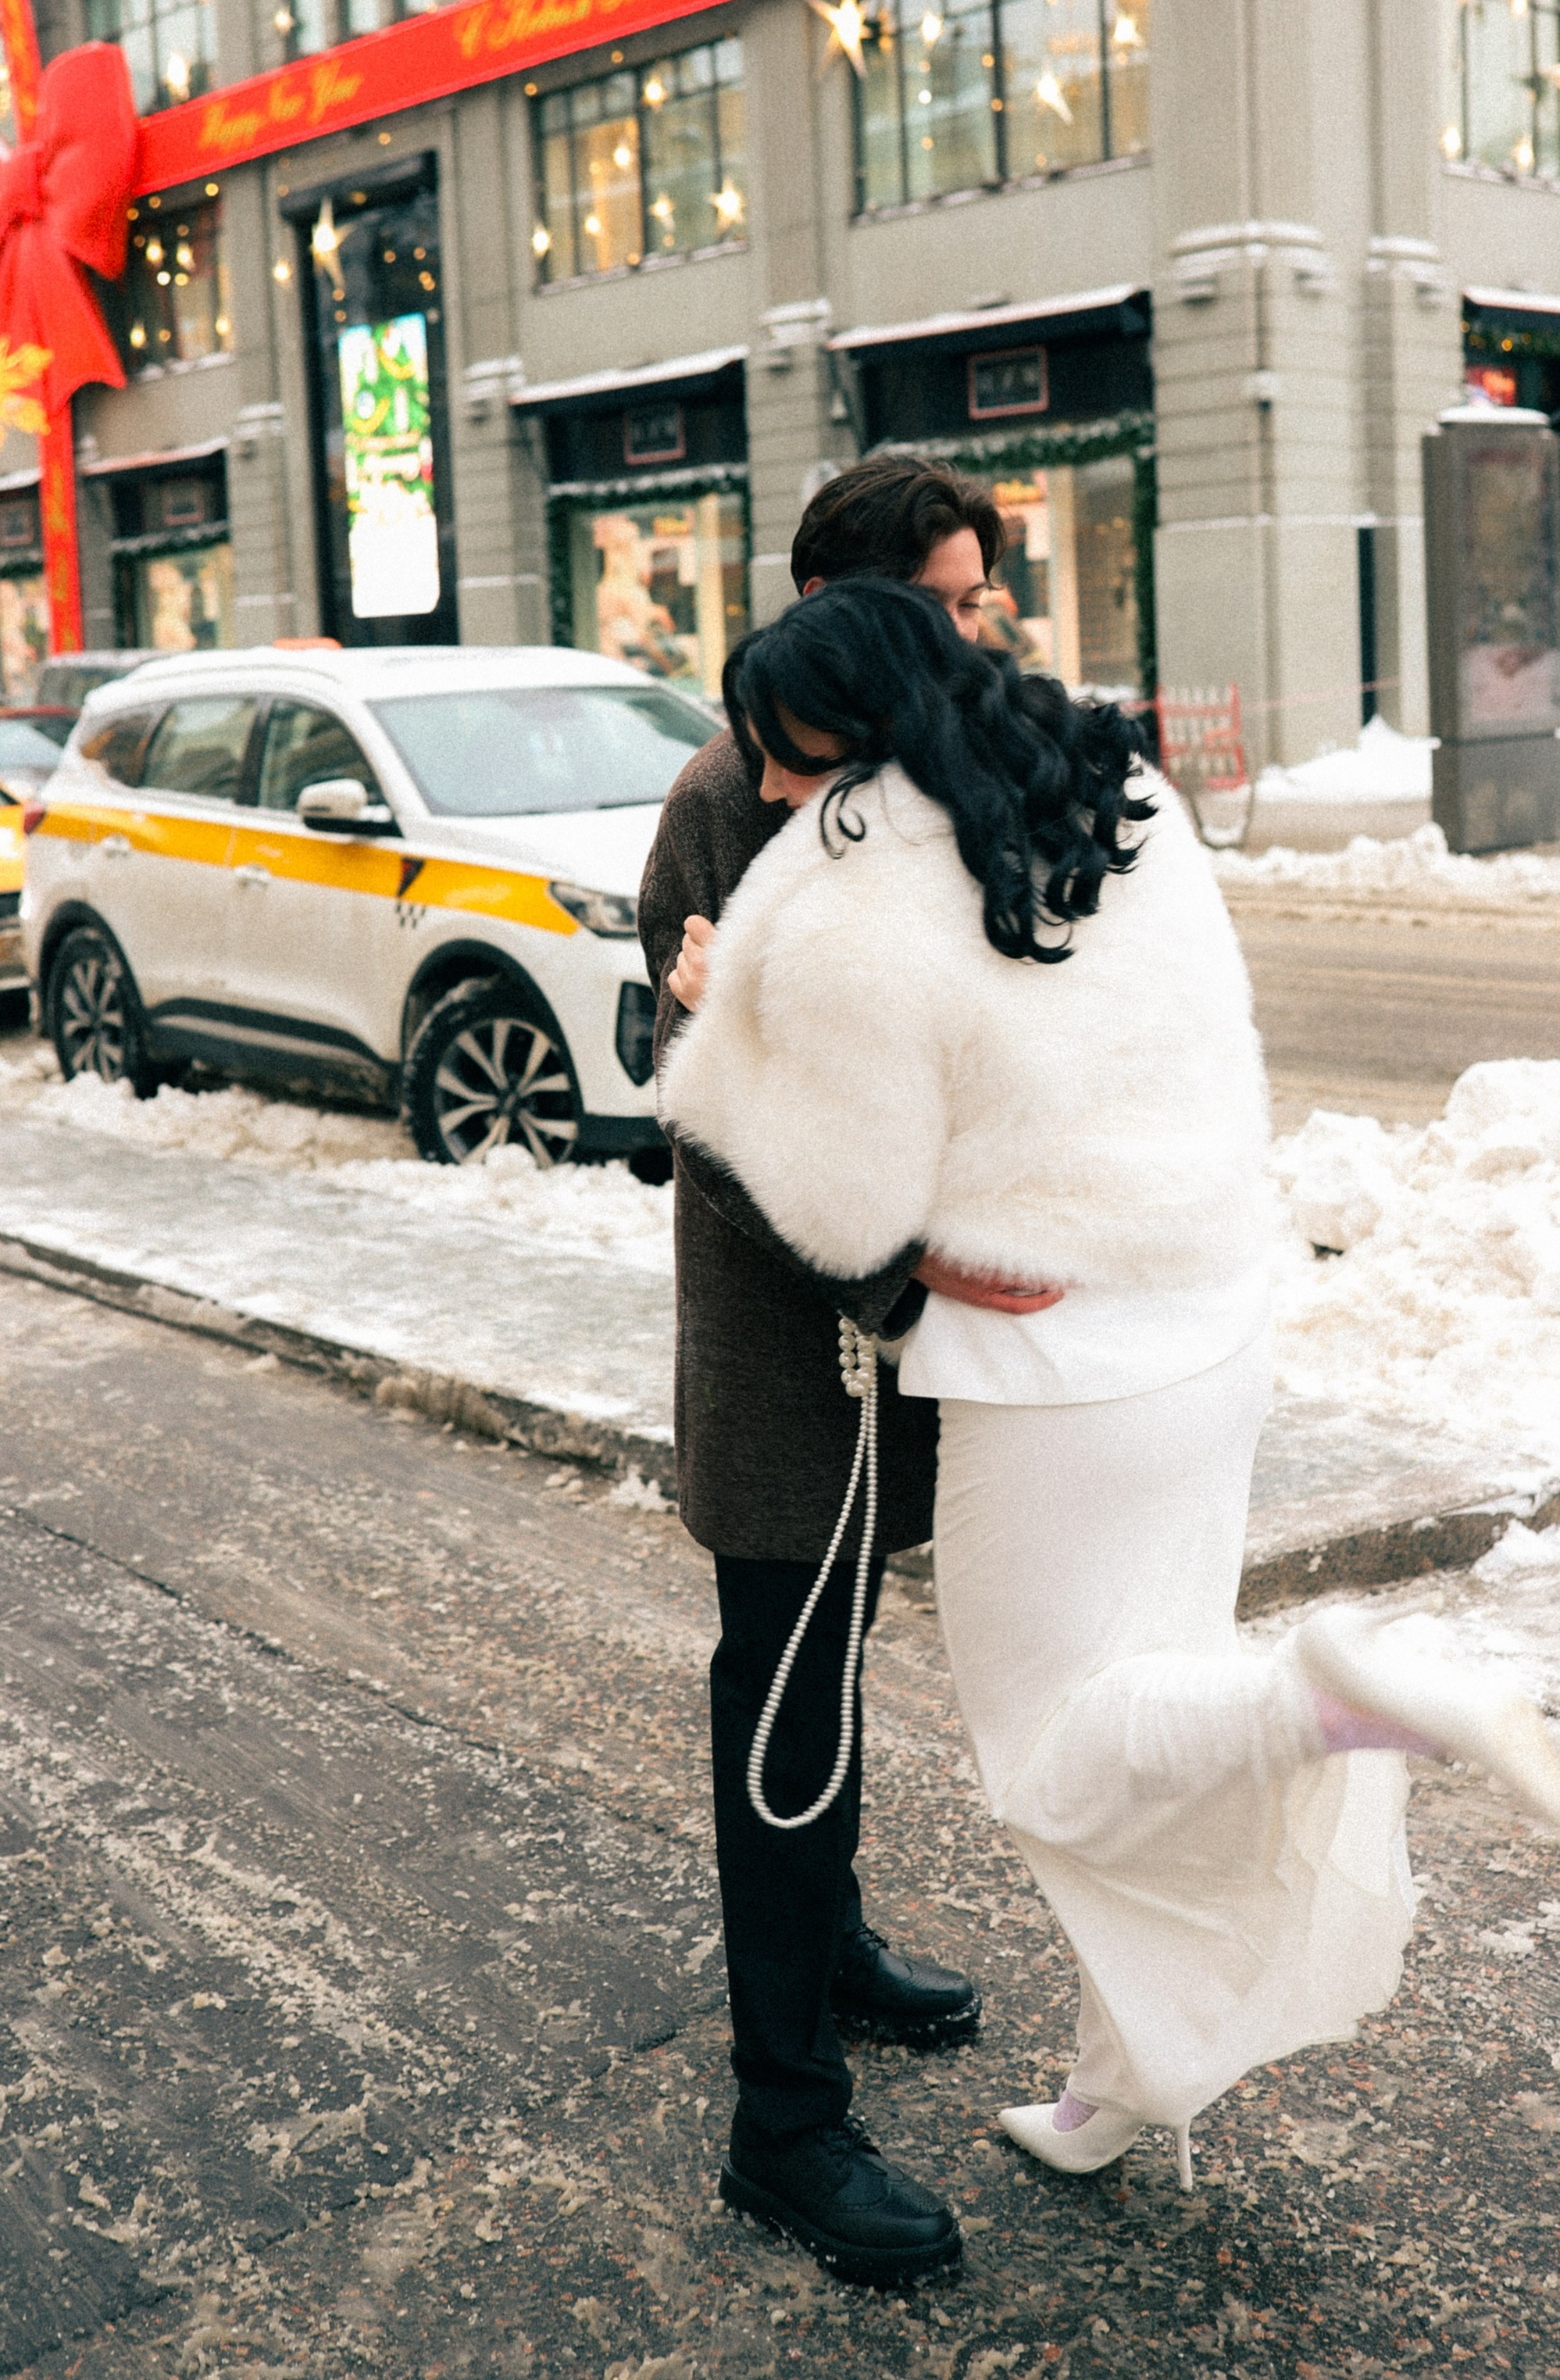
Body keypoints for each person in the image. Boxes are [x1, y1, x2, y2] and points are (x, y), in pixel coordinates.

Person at [659, 577, 1560, 2213]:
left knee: (1064, 1760)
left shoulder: (849, 895)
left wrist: (714, 1017)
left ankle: (1331, 1697)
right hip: (1209, 1328)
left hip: (1051, 1377)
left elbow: (842, 1211)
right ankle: (1114, 2080)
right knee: (1147, 1690)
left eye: (787, 763)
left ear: (849, 737)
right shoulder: (1111, 786)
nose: (773, 800)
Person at [636, 456, 1016, 2294]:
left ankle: (835, 1944)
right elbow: (716, 1106)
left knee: (838, 1667)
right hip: (799, 1361)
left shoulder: (921, 784)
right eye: (951, 598)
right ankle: (780, 2121)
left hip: (906, 1351)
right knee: (779, 1705)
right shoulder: (731, 800)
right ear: (855, 616)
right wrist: (884, 1282)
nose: (984, 624)